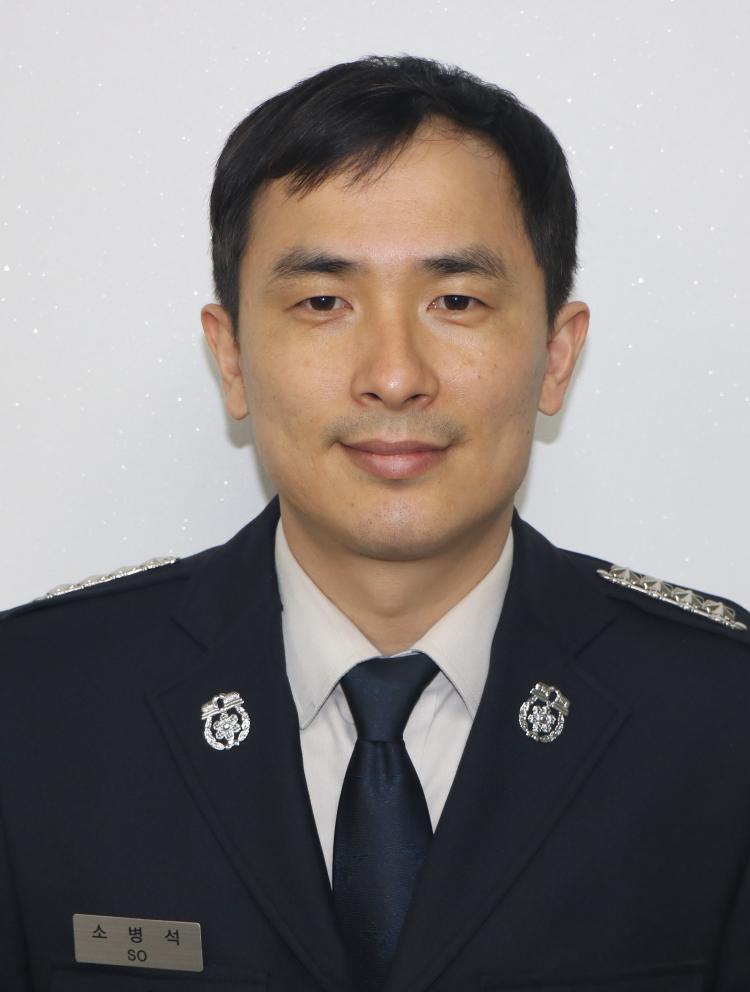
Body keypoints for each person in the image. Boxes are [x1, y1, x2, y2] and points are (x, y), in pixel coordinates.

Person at [1, 54, 748, 992]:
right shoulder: (35, 709)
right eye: (324, 302)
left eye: (456, 301)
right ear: (231, 358)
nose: (394, 376)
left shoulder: (720, 719)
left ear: (557, 357)